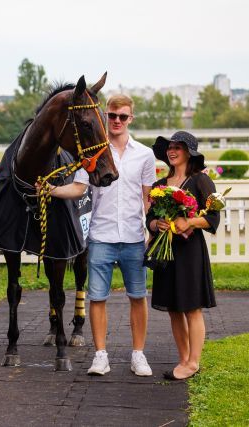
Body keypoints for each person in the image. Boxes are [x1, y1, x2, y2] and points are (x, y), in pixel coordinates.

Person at [45, 94, 156, 376]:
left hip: (133, 237)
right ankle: (100, 355)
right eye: (112, 116)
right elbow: (79, 189)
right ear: (105, 116)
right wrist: (52, 190)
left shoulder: (144, 154)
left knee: (137, 296)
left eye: (122, 117)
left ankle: (138, 355)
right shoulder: (91, 153)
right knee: (97, 298)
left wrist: (153, 229)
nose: (116, 121)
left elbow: (149, 198)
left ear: (131, 118)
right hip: (100, 236)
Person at [146, 131, 218, 381]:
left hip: (189, 253)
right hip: (166, 254)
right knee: (174, 309)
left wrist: (188, 222)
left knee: (191, 308)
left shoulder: (200, 181)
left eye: (177, 147)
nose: (172, 151)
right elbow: (150, 220)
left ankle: (193, 362)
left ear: (189, 152)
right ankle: (183, 359)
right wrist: (157, 225)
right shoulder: (159, 186)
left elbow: (213, 218)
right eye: (169, 147)